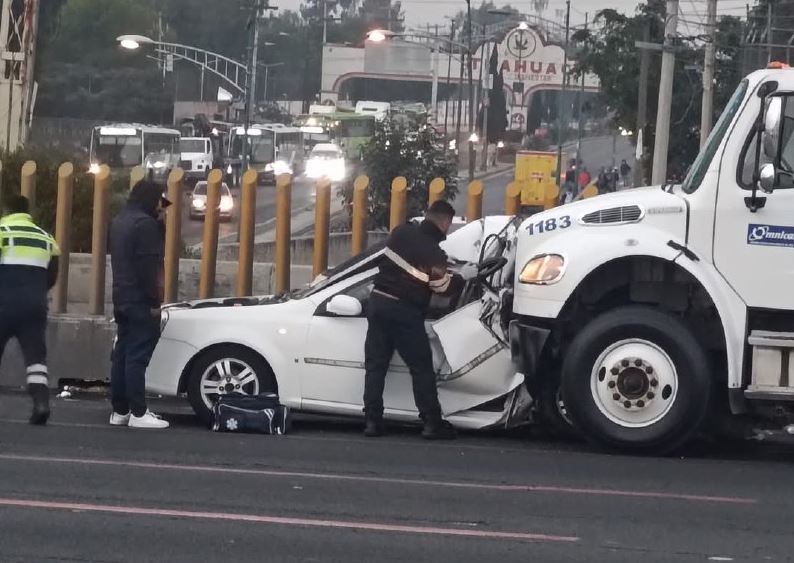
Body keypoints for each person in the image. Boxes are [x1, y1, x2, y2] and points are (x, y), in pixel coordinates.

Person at [363, 200, 477, 440]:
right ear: (445, 222)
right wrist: (463, 277)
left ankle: (372, 422)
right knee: (421, 368)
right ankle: (432, 423)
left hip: (378, 303)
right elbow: (441, 286)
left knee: (376, 366)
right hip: (404, 311)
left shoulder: (401, 232)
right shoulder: (433, 253)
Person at [109, 180, 171, 429]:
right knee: (137, 356)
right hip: (140, 300)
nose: (162, 205)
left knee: (122, 355)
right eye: (160, 201)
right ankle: (138, 412)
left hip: (121, 296)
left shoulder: (120, 220)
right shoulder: (145, 225)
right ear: (151, 200)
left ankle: (120, 411)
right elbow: (149, 266)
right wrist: (154, 301)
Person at [0, 194, 60, 425]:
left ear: (6, 210)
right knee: (36, 358)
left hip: (4, 303)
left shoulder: (3, 231)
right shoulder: (46, 237)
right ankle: (41, 403)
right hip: (35, 306)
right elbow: (52, 275)